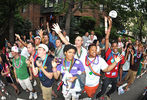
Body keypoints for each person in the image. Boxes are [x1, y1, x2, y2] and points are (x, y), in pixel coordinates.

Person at [96, 17, 125, 100]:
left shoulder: (120, 56)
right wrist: (110, 26)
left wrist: (120, 78)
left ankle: (108, 95)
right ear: (111, 47)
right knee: (103, 90)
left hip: (115, 77)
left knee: (113, 89)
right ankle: (97, 97)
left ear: (118, 46)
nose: (115, 48)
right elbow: (107, 38)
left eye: (116, 46)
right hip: (108, 76)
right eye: (113, 46)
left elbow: (121, 67)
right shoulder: (108, 53)